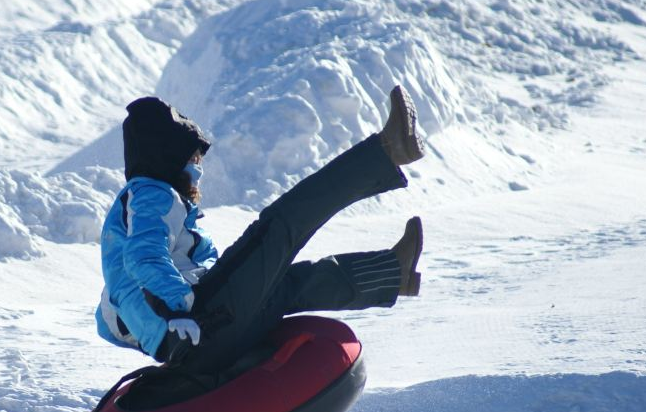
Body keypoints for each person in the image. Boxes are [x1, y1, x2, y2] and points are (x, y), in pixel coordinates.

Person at [95, 86, 425, 376]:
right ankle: (389, 150)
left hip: (197, 336)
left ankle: (393, 274)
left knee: (288, 284)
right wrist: (177, 310)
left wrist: (160, 331)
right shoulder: (152, 192)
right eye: (193, 158)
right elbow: (143, 257)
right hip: (200, 322)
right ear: (168, 158)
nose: (199, 168)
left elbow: (110, 319)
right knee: (280, 225)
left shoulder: (142, 210)